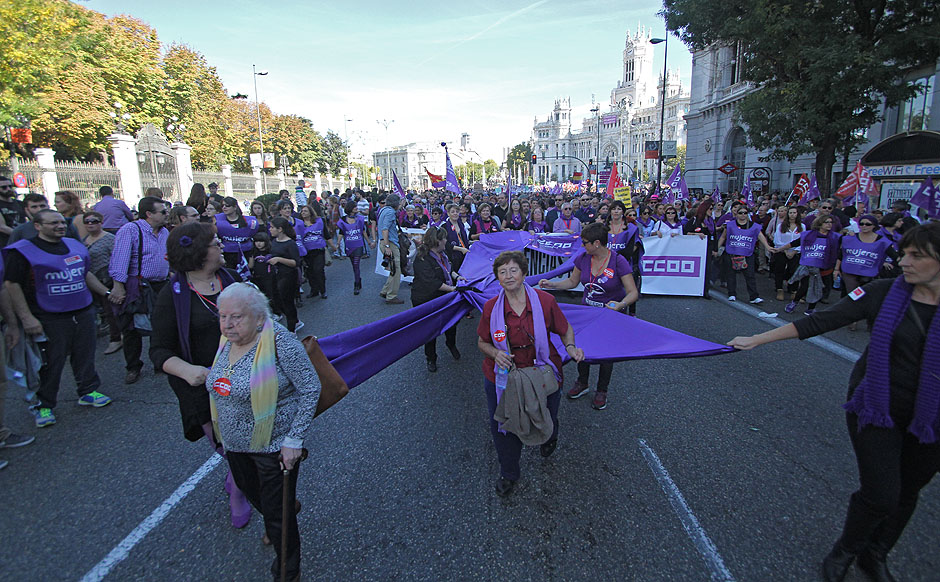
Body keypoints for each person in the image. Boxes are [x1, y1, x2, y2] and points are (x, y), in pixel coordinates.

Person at [729, 221, 940, 582]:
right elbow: (822, 321)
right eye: (904, 253)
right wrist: (757, 339)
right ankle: (845, 551)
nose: (904, 261)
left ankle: (875, 555)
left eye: (916, 255)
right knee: (881, 494)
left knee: (907, 492)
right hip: (877, 408)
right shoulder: (882, 292)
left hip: (930, 418)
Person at [207, 283, 320, 582]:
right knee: (258, 498)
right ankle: (282, 510)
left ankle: (287, 572)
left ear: (259, 318)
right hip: (234, 444)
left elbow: (311, 388)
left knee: (278, 518)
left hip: (274, 447)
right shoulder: (227, 340)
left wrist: (294, 440)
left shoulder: (280, 342)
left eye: (236, 317)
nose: (227, 324)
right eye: (222, 316)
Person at [148, 222, 253, 528]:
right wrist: (188, 370)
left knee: (252, 442)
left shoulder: (230, 279)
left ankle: (238, 486)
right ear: (198, 253)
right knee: (228, 447)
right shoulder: (172, 295)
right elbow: (159, 350)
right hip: (202, 388)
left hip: (244, 378)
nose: (221, 245)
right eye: (215, 242)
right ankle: (238, 483)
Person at [477, 251, 584, 496]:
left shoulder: (545, 301)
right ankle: (509, 472)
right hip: (503, 376)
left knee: (547, 414)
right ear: (497, 278)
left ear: (524, 273)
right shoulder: (491, 308)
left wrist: (570, 347)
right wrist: (495, 353)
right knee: (505, 425)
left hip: (542, 372)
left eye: (513, 270)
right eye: (502, 272)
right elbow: (482, 342)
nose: (508, 276)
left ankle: (550, 435)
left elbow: (565, 329)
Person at [4, 210, 111, 427]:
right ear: (37, 226)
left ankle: (88, 390)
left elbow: (85, 274)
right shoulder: (22, 251)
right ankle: (43, 405)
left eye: (62, 222)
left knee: (85, 354)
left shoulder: (75, 245)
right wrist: (26, 318)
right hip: (48, 315)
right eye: (53, 223)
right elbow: (11, 285)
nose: (60, 226)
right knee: (51, 362)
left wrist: (107, 294)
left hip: (82, 310)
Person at [540, 223, 638, 410]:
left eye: (585, 242)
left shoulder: (618, 261)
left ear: (597, 243)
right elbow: (572, 282)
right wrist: (552, 285)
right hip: (587, 313)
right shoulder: (583, 258)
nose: (582, 245)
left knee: (606, 353)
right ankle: (582, 382)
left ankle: (602, 390)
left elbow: (633, 292)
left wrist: (621, 304)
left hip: (610, 316)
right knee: (582, 346)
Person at [108, 196, 171, 384]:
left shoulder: (164, 232)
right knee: (132, 328)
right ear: (149, 214)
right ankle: (133, 366)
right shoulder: (130, 230)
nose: (166, 214)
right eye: (163, 212)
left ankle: (160, 361)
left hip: (161, 284)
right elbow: (120, 259)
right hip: (138, 286)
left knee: (161, 325)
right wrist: (118, 286)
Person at [411, 226, 462, 372]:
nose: (446, 240)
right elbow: (432, 282)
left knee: (451, 323)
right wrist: (452, 289)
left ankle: (451, 344)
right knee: (430, 330)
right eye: (444, 238)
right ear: (437, 241)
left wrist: (458, 277)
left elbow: (449, 270)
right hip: (426, 299)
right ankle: (431, 358)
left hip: (443, 296)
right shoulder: (422, 259)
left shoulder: (442, 254)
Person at [834, 214, 898, 330]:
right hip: (850, 271)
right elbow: (841, 254)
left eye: (868, 224)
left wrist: (886, 262)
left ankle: (867, 319)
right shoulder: (850, 238)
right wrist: (836, 269)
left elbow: (894, 256)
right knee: (853, 295)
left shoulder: (882, 241)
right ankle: (853, 319)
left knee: (866, 297)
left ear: (874, 226)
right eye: (861, 224)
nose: (864, 226)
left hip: (869, 272)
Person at [781, 214, 841, 315]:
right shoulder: (808, 235)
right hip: (809, 265)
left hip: (825, 267)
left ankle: (811, 308)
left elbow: (841, 250)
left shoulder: (835, 237)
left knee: (817, 288)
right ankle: (794, 302)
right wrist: (779, 249)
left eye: (831, 222)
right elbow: (794, 243)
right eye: (826, 222)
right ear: (820, 224)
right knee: (804, 286)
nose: (829, 224)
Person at [81, 211, 122, 355]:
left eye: (94, 221)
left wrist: (118, 283)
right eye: (87, 222)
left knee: (110, 310)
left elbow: (117, 259)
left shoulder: (109, 239)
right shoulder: (84, 240)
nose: (90, 224)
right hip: (90, 281)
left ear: (101, 223)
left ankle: (116, 338)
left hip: (107, 280)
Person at [716, 204, 775, 304]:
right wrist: (716, 248)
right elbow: (723, 237)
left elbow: (761, 236)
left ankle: (754, 297)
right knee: (730, 274)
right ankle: (731, 293)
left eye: (745, 213)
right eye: (740, 213)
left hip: (747, 253)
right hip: (731, 253)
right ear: (736, 214)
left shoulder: (754, 226)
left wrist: (767, 247)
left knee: (750, 275)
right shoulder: (730, 225)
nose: (743, 215)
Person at [266, 217, 302, 333]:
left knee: (287, 301)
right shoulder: (274, 241)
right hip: (276, 274)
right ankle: (295, 320)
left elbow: (296, 262)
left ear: (280, 229)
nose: (270, 229)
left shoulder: (290, 243)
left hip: (288, 275)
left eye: (272, 227)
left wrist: (279, 259)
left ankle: (292, 328)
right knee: (277, 300)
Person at [8, 193, 80, 243]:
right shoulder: (20, 231)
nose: (39, 209)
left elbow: (79, 246)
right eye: (34, 207)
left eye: (42, 206)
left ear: (48, 206)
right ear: (27, 209)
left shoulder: (66, 224)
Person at [215, 196, 260, 273]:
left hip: (245, 252)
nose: (224, 207)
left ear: (235, 207)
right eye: (222, 206)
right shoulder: (217, 220)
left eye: (227, 205)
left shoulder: (250, 221)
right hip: (227, 253)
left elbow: (254, 234)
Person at [771, 206, 804, 302]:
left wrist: (794, 251)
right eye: (790, 213)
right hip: (782, 251)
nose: (792, 215)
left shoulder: (802, 226)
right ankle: (779, 289)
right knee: (779, 270)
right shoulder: (781, 226)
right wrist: (785, 250)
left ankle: (794, 290)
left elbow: (803, 240)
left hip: (795, 252)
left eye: (794, 213)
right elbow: (777, 240)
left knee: (795, 271)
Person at [299, 204, 332, 299]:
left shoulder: (319, 221)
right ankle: (314, 290)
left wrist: (333, 246)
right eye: (302, 211)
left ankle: (323, 291)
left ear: (310, 212)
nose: (303, 213)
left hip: (318, 250)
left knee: (318, 270)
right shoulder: (299, 224)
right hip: (306, 252)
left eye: (305, 211)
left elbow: (326, 234)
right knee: (309, 272)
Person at [378, 193, 403, 304]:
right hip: (390, 243)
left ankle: (386, 290)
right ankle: (391, 296)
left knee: (393, 269)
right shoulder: (390, 213)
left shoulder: (383, 210)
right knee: (396, 270)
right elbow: (385, 229)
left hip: (385, 242)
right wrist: (387, 246)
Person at [0, 175, 27, 247]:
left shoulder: (20, 203)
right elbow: (2, 227)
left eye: (10, 186)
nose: (8, 189)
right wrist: (22, 235)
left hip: (23, 242)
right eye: (4, 187)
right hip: (6, 243)